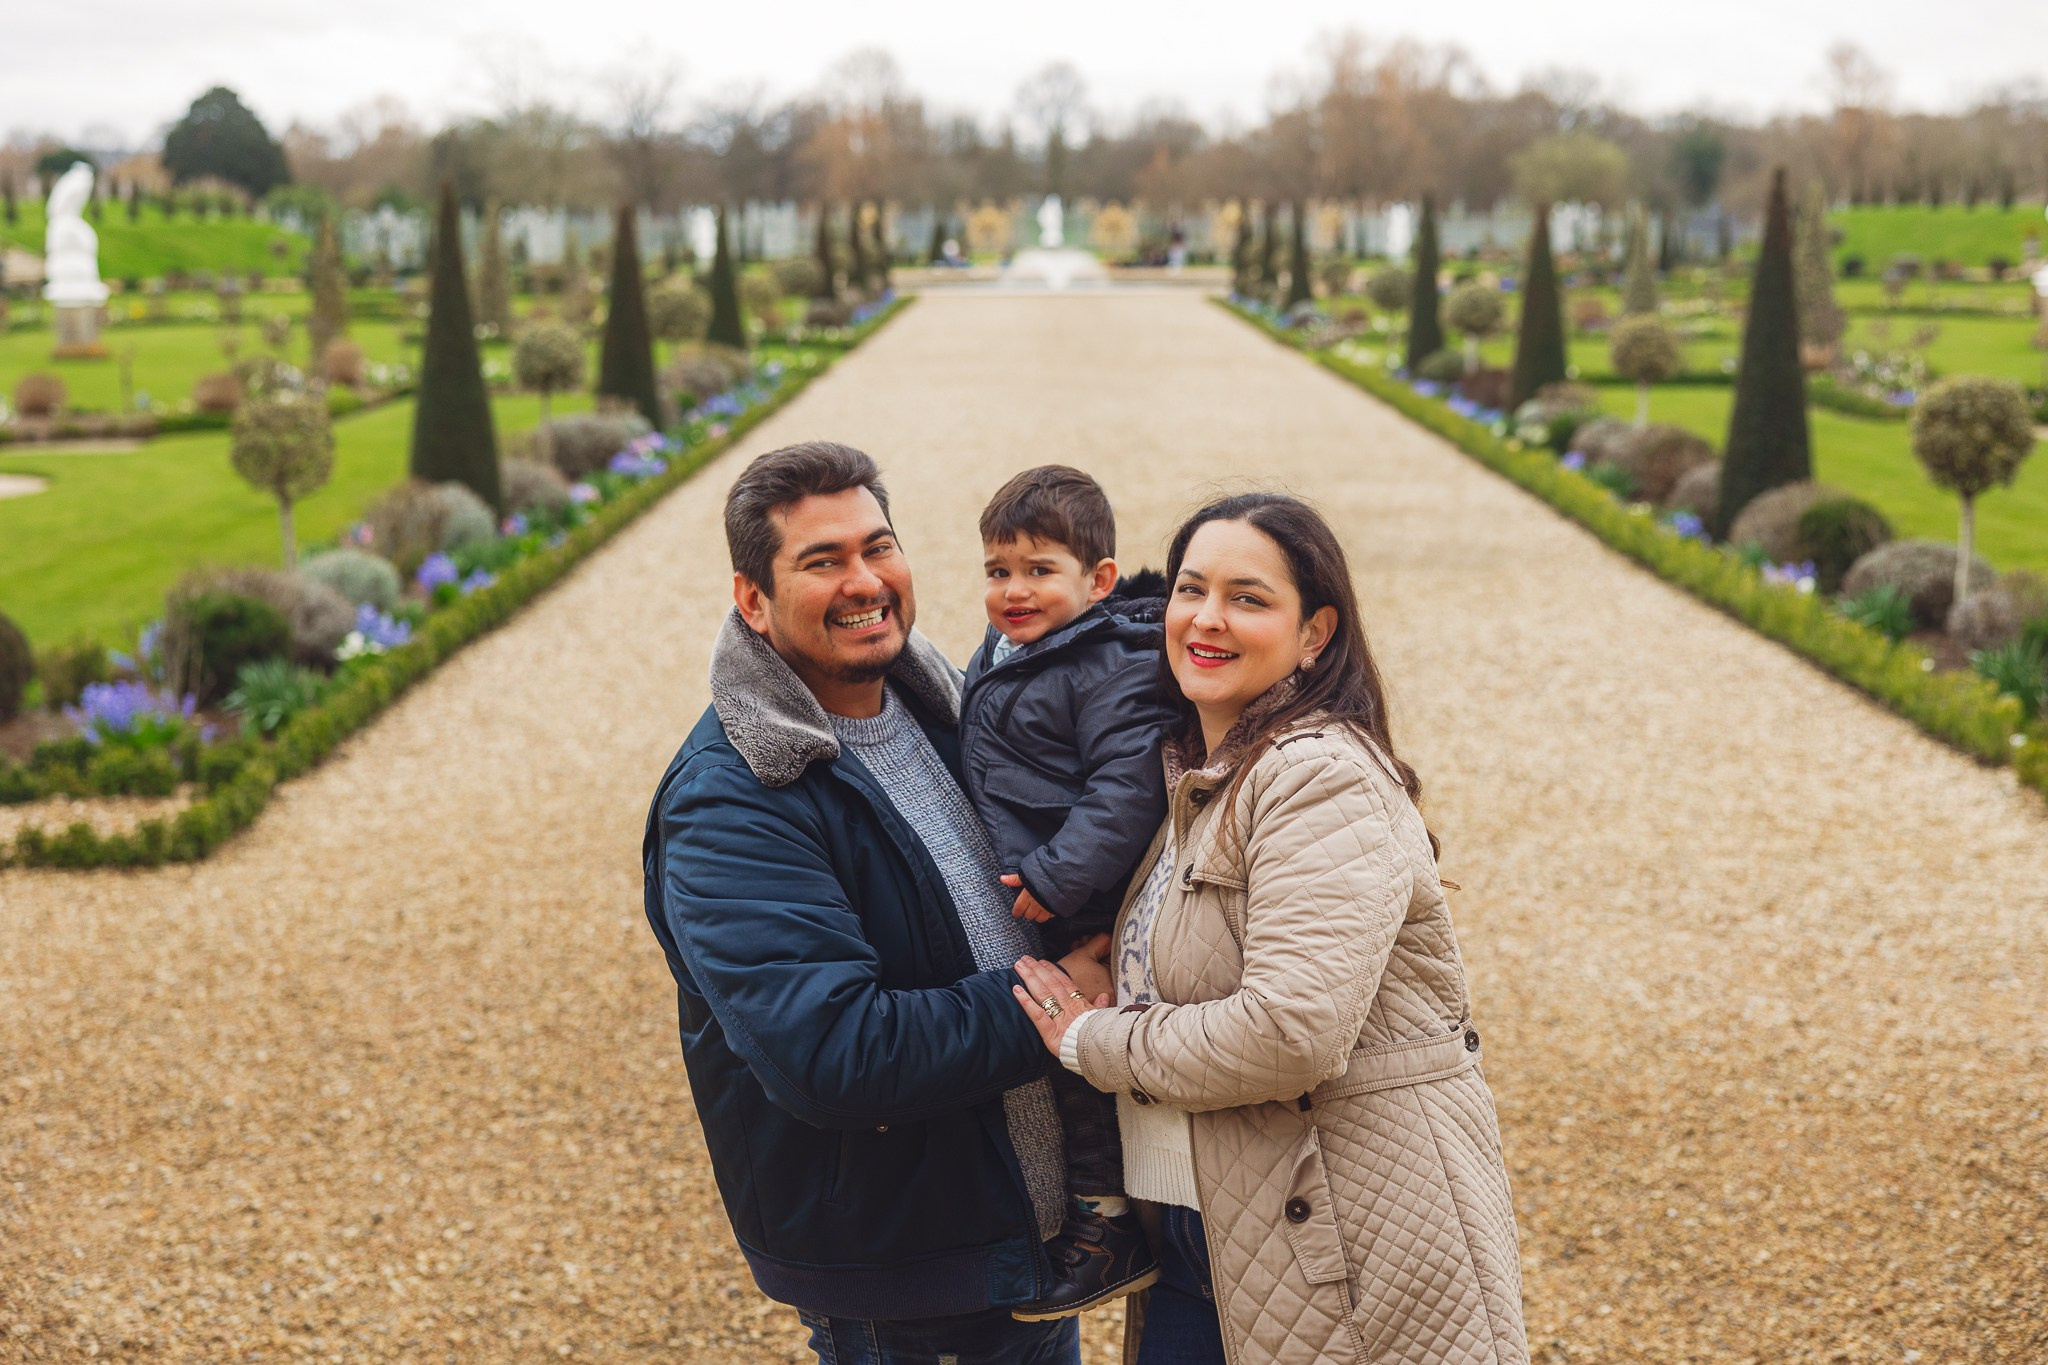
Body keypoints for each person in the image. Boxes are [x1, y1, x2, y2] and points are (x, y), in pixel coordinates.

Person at [1009, 492, 1530, 1365]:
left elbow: (1290, 1033)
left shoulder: (1317, 775)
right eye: (1190, 589)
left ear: (1316, 632)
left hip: (1335, 1250)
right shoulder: (1198, 778)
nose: (1206, 619)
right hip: (1209, 1241)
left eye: (1248, 598)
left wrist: (1093, 1037)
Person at [642, 441, 1111, 1364]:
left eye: (878, 546)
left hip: (1026, 1246)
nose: (866, 581)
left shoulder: (951, 704)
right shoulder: (731, 798)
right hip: (914, 1279)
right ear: (753, 602)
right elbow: (832, 1052)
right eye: (822, 562)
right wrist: (1060, 998)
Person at [961, 466, 1172, 1320]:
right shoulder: (1015, 648)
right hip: (1043, 887)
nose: (1015, 589)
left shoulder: (1111, 664)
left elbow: (1126, 787)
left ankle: (1107, 1222)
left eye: (1040, 570)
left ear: (1101, 580)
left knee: (1077, 1058)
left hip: (1080, 899)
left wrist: (1056, 876)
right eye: (997, 570)